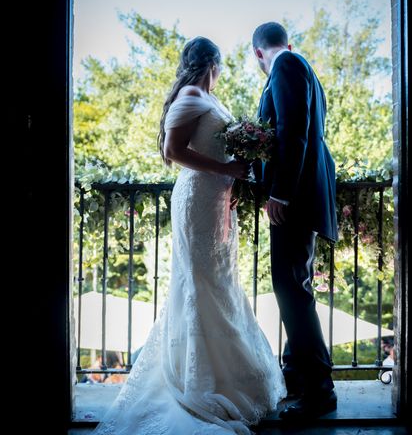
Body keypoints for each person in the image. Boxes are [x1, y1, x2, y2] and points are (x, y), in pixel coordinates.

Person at [93, 37, 286, 435]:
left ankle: (226, 375)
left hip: (216, 200)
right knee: (201, 285)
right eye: (219, 68)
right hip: (197, 201)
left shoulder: (204, 97)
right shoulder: (191, 96)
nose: (219, 75)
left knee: (221, 283)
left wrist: (234, 174)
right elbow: (172, 151)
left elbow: (215, 150)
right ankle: (200, 381)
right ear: (211, 64)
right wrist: (225, 171)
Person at [252, 22, 339, 421]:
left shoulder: (285, 65)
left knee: (292, 291)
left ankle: (320, 390)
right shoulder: (297, 63)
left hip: (294, 201)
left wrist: (279, 193)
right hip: (301, 198)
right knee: (292, 287)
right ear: (285, 42)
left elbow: (294, 132)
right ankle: (298, 377)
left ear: (258, 54)